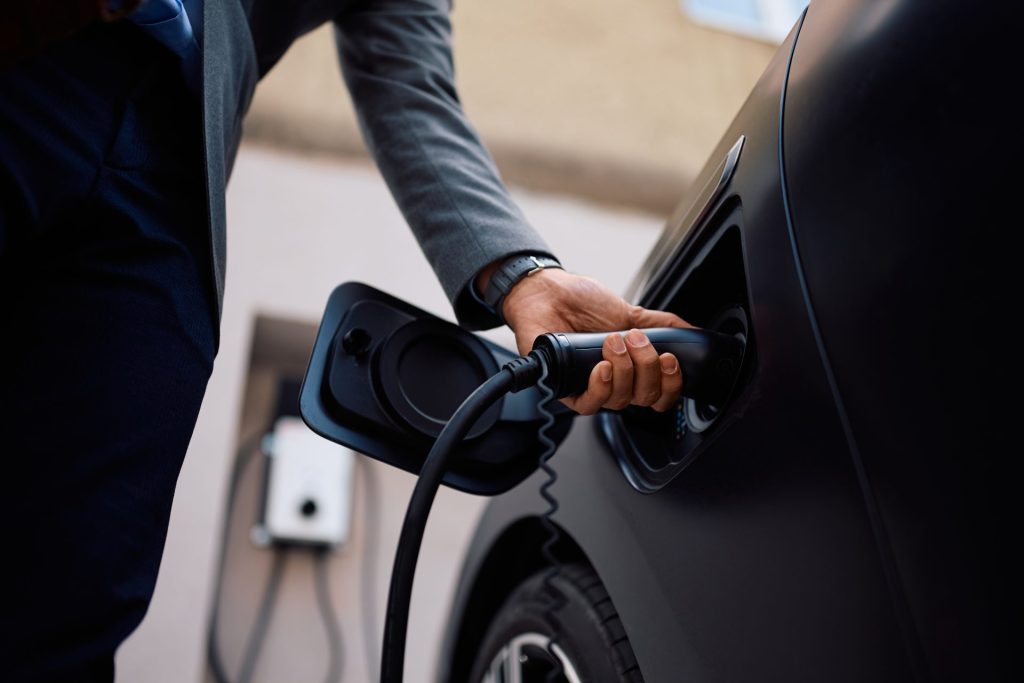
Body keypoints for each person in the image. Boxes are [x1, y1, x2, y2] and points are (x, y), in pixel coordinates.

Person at [0, 1, 687, 679]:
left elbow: (409, 85)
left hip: (172, 162)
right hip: (32, 64)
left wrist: (524, 278)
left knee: (73, 588)